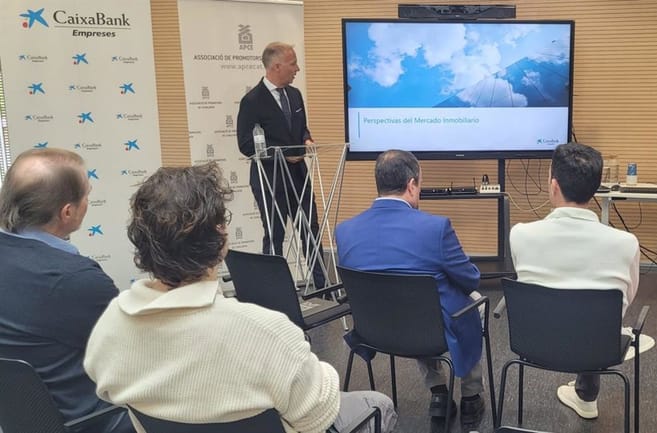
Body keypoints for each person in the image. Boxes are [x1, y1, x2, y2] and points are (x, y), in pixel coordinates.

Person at [83, 163, 396, 433]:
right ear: (221, 238)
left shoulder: (111, 325)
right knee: (377, 403)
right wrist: (322, 372)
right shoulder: (267, 332)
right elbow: (318, 415)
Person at [335, 150, 487, 429]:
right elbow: (470, 281)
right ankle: (470, 396)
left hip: (375, 332)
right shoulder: (435, 228)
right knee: (472, 302)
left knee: (418, 305)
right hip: (429, 331)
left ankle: (438, 393)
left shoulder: (345, 231)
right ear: (412, 185)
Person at [0, 148, 133, 433]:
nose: (88, 201)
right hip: (96, 421)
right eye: (86, 194)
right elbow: (135, 354)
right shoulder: (76, 279)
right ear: (68, 212)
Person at [509, 142, 640, 419]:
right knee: (594, 311)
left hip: (534, 342)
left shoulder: (520, 234)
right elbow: (626, 298)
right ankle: (586, 393)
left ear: (553, 185)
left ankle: (583, 393)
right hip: (597, 344)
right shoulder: (626, 243)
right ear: (595, 188)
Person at [237, 41, 325, 288]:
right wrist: (280, 155)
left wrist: (306, 139)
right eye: (293, 63)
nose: (297, 68)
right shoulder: (252, 101)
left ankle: (323, 287)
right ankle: (271, 290)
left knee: (311, 231)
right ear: (276, 66)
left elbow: (301, 128)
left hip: (299, 177)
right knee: (275, 236)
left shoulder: (295, 94)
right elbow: (245, 145)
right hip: (270, 180)